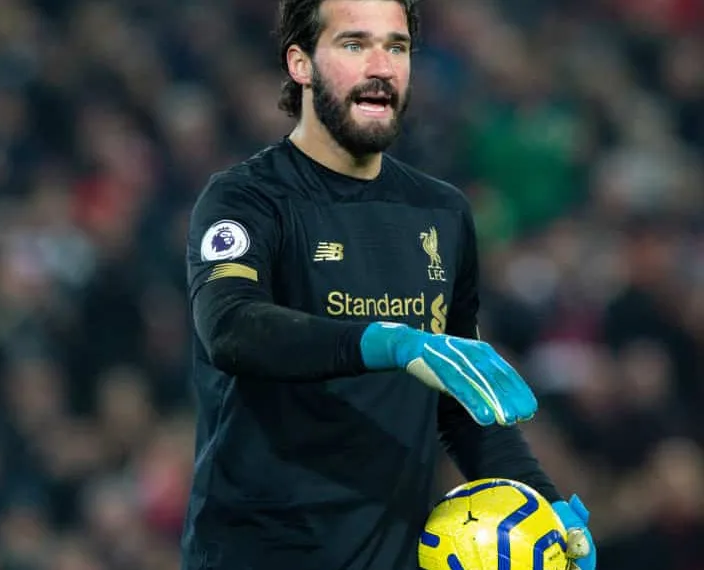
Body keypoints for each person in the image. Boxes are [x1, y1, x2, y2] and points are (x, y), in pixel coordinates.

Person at [179, 1, 597, 569]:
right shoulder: (246, 200)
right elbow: (230, 327)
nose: (382, 66)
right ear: (301, 64)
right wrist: (389, 343)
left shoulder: (441, 213)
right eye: (354, 45)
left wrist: (546, 509)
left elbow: (461, 403)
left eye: (396, 46)